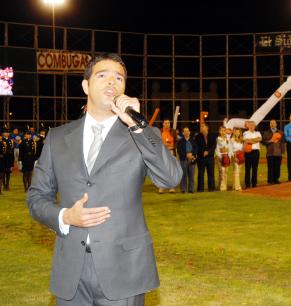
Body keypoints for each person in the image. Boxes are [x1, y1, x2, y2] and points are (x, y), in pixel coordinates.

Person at [27, 53, 182, 306]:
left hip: (124, 271)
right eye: (103, 75)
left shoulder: (140, 132)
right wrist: (65, 217)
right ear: (86, 86)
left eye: (119, 78)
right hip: (71, 272)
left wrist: (137, 125)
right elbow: (36, 198)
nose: (112, 82)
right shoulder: (57, 138)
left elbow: (170, 178)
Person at [262, 119, 285, 184]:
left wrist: (283, 152)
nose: (272, 124)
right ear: (270, 125)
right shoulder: (266, 133)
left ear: (276, 124)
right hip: (270, 152)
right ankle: (270, 180)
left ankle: (276, 179)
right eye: (271, 123)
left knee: (277, 167)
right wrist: (269, 141)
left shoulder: (280, 132)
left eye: (273, 123)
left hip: (278, 152)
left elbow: (283, 142)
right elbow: (263, 142)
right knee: (270, 167)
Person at [195, 124, 216, 192]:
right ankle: (200, 189)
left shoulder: (212, 135)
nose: (201, 128)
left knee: (211, 173)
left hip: (210, 157)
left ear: (207, 127)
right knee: (200, 174)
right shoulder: (197, 136)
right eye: (201, 127)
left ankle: (211, 188)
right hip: (201, 158)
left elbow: (213, 146)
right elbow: (196, 146)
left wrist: (208, 152)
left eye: (203, 126)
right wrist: (202, 152)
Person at [159, 119, 177, 193]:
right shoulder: (160, 132)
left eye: (168, 123)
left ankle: (171, 187)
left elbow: (176, 142)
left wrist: (172, 147)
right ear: (163, 124)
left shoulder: (173, 131)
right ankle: (162, 187)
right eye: (165, 123)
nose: (167, 124)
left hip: (171, 152)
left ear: (170, 124)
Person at [177, 126, 197, 193]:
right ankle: (183, 189)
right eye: (185, 131)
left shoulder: (193, 140)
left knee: (191, 175)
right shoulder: (180, 141)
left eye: (187, 131)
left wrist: (192, 155)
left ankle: (191, 189)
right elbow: (179, 150)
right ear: (183, 133)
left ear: (189, 132)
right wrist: (186, 155)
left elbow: (196, 149)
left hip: (192, 159)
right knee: (184, 175)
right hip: (183, 159)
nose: (186, 132)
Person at [243, 121, 262, 188]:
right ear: (248, 126)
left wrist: (251, 140)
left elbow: (260, 139)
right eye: (250, 125)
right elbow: (247, 141)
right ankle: (247, 184)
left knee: (255, 168)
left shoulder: (258, 132)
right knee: (247, 168)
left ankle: (254, 183)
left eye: (253, 125)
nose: (251, 126)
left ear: (255, 126)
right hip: (248, 152)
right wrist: (255, 140)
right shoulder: (245, 133)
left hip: (256, 152)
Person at [215, 126, 231, 191]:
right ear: (219, 131)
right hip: (220, 157)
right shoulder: (218, 139)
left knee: (226, 172)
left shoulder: (228, 139)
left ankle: (224, 186)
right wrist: (219, 156)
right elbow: (217, 148)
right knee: (221, 171)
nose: (223, 132)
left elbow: (230, 148)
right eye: (221, 130)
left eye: (224, 130)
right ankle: (221, 186)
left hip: (226, 156)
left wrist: (229, 156)